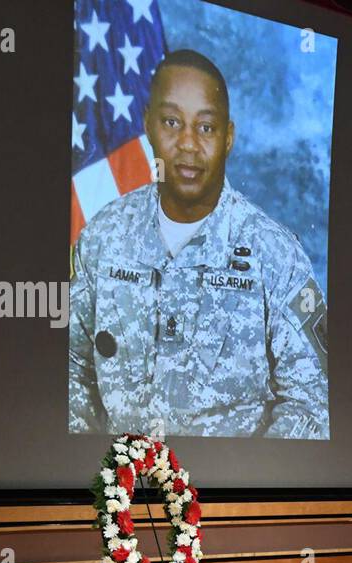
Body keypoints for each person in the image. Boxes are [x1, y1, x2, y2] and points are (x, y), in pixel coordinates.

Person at [69, 49, 328, 439]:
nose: (188, 143)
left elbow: (311, 403)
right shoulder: (103, 238)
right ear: (149, 127)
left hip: (230, 496)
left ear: (228, 138)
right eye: (172, 122)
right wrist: (102, 479)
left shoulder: (275, 256)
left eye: (205, 127)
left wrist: (243, 487)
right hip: (117, 492)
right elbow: (71, 368)